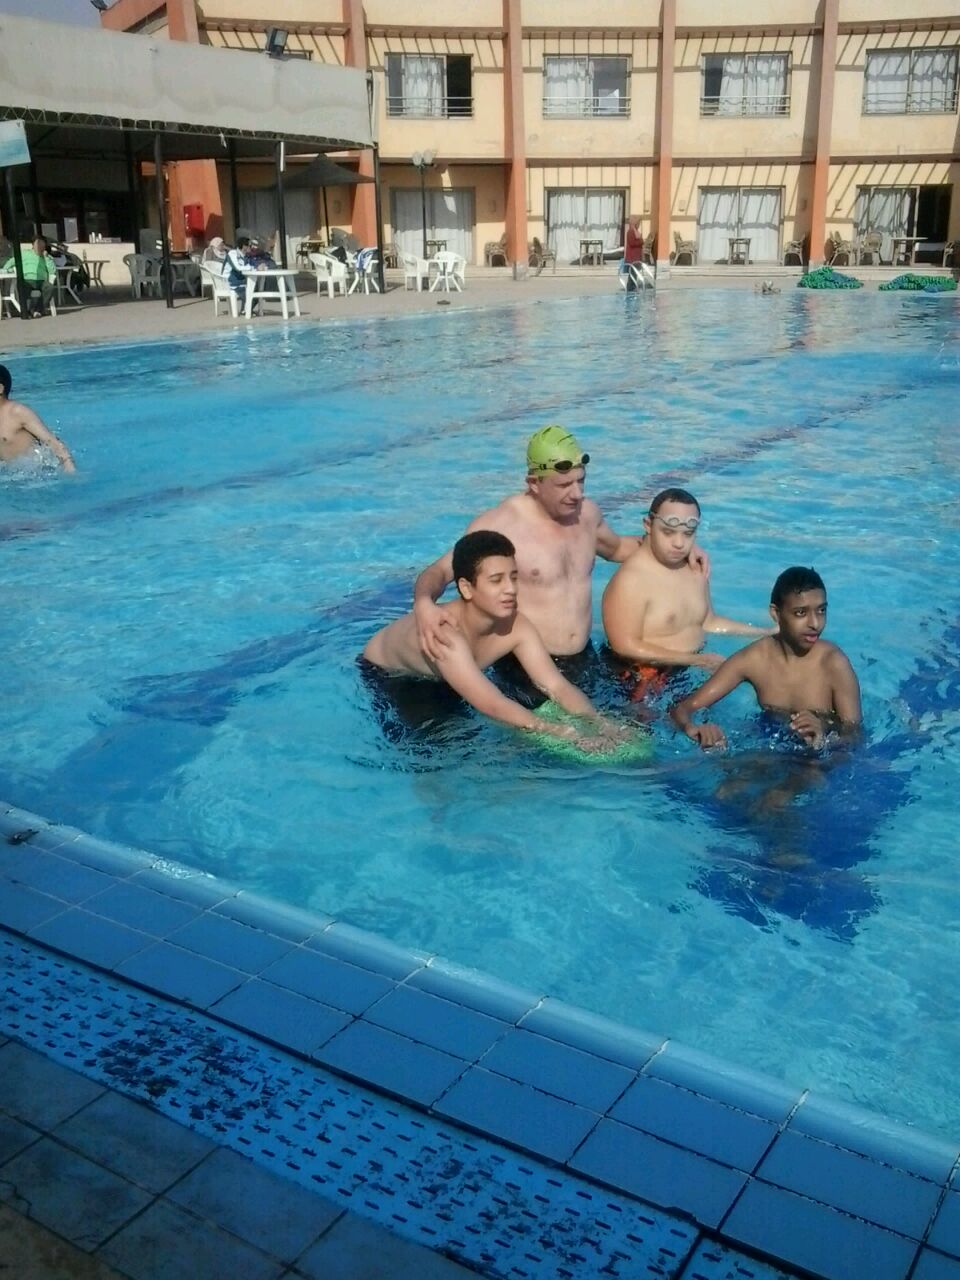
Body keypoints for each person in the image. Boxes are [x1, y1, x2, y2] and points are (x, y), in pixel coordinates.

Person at [414, 427, 709, 676]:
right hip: (525, 665)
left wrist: (678, 542)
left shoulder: (587, 515)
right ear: (534, 484)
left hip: (584, 656)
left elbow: (619, 547)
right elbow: (441, 570)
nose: (577, 494)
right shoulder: (501, 524)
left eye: (581, 481)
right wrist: (424, 604)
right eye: (564, 485)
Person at [364, 530, 620, 748]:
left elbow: (556, 685)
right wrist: (558, 732)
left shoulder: (516, 625)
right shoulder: (445, 634)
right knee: (438, 751)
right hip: (394, 677)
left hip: (451, 673)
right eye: (496, 580)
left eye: (514, 577)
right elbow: (491, 704)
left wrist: (598, 722)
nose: (510, 589)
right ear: (466, 588)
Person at [669, 566, 861, 750]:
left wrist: (824, 736)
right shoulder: (754, 659)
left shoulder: (833, 663)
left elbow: (855, 736)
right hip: (769, 738)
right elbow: (684, 708)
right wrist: (693, 729)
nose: (815, 623)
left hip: (819, 756)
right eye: (800, 613)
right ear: (775, 613)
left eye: (821, 610)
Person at [602, 487, 768, 697]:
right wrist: (696, 660)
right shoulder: (631, 580)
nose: (679, 543)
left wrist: (765, 633)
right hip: (641, 677)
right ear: (648, 525)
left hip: (689, 668)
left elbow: (709, 622)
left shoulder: (694, 569)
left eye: (688, 534)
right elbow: (624, 645)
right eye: (668, 532)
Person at [0, 364, 76, 471]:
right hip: (13, 476)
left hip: (40, 474)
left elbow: (51, 441)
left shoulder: (17, 412)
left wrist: (70, 469)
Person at [2, 236, 56, 317]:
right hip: (26, 279)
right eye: (37, 244)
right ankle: (28, 310)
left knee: (50, 287)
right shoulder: (24, 253)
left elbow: (52, 271)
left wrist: (46, 258)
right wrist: (6, 270)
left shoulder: (47, 257)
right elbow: (11, 262)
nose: (39, 246)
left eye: (42, 244)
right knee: (23, 287)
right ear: (33, 245)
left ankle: (38, 310)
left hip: (41, 280)